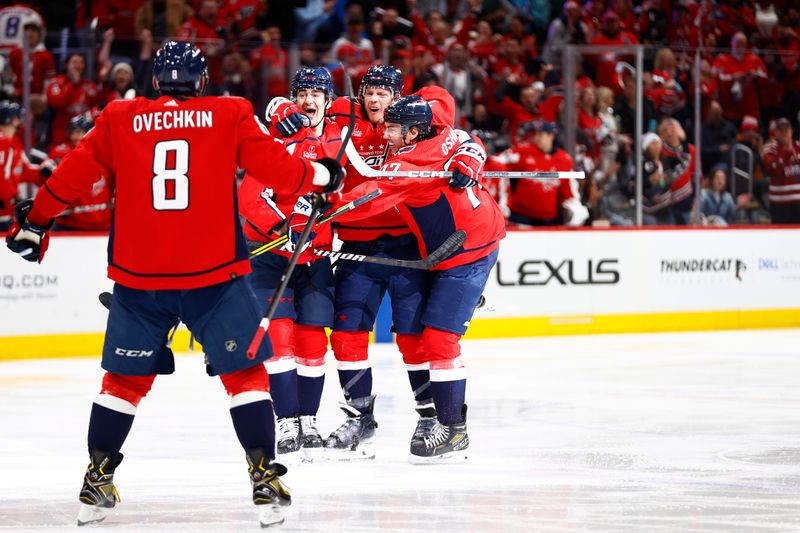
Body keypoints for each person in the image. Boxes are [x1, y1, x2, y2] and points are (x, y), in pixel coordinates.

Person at [5, 41, 343, 528]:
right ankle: (264, 475)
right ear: (202, 82)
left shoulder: (120, 117)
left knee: (122, 382)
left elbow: (73, 176)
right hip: (214, 275)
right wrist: (321, 173)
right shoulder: (228, 112)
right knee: (244, 376)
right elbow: (282, 172)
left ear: (156, 81)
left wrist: (35, 222)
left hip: (141, 276)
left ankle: (97, 476)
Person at [312, 94, 505, 462]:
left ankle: (452, 430)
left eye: (395, 128)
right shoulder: (443, 137)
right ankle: (448, 426)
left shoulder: (408, 163)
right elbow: (467, 139)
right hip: (462, 246)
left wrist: (322, 211)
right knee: (432, 339)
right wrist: (468, 156)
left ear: (414, 131)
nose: (386, 133)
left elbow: (368, 199)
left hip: (468, 252)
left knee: (438, 340)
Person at [238, 67, 341, 464]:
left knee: (313, 342)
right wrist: (282, 227)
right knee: (279, 341)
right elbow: (250, 198)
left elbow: (341, 195)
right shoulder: (273, 137)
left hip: (314, 259)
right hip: (271, 256)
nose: (309, 100)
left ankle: (309, 420)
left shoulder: (337, 138)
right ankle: (286, 420)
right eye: (301, 93)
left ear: (328, 101)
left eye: (318, 93)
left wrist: (322, 225)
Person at [505, 120, 589, 226]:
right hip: (520, 216)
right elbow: (497, 163)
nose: (536, 138)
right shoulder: (523, 151)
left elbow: (568, 191)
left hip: (547, 219)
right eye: (535, 135)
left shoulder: (564, 160)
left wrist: (574, 208)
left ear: (551, 136)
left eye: (540, 135)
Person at [0, 101, 51, 231]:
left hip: (7, 212)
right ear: (13, 119)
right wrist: (12, 198)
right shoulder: (3, 141)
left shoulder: (14, 143)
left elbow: (21, 170)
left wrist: (41, 172)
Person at [761, 117, 800, 223]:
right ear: (776, 132)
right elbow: (776, 171)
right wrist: (786, 152)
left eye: (786, 129)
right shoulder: (769, 149)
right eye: (780, 130)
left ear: (791, 131)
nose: (784, 133)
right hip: (779, 204)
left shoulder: (798, 147)